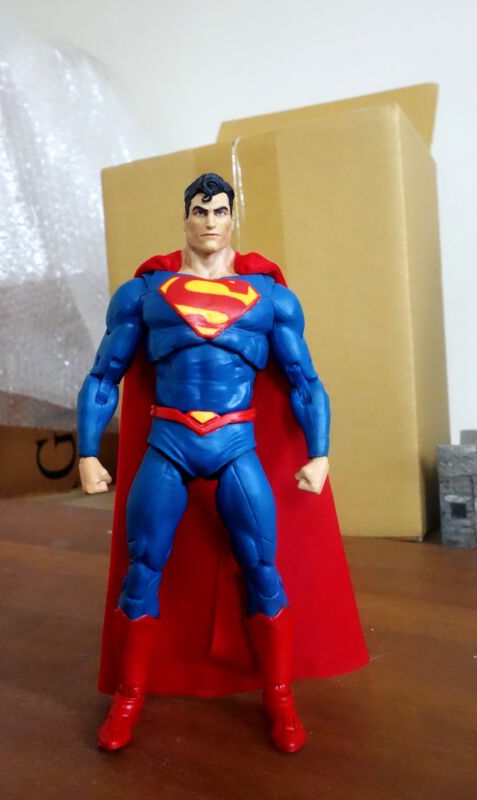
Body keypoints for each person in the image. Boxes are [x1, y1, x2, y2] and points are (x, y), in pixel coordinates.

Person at [77, 173, 367, 754]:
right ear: (185, 218)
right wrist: (86, 450)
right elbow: (104, 376)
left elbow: (305, 381)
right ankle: (129, 697)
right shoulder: (145, 294)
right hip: (169, 441)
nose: (210, 221)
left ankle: (279, 695)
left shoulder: (270, 299)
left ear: (233, 219)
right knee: (143, 568)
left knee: (263, 568)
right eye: (199, 210)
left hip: (236, 445)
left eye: (220, 211)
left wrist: (319, 452)